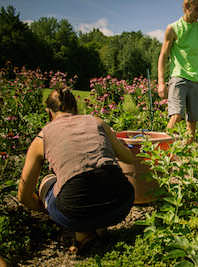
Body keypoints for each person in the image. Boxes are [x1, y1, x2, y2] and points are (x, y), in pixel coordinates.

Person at [17, 88, 136, 253]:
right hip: (121, 205)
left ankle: (83, 234)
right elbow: (129, 158)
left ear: (49, 112)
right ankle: (99, 226)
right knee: (100, 174)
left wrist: (47, 210)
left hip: (74, 213)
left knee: (48, 181)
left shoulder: (43, 137)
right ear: (76, 107)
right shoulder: (97, 122)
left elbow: (23, 194)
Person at [157, 0, 198, 144]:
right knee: (176, 115)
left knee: (193, 122)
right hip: (179, 77)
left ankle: (185, 154)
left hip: (196, 80)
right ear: (187, 7)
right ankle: (162, 151)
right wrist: (161, 83)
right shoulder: (173, 28)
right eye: (197, 9)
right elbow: (163, 56)